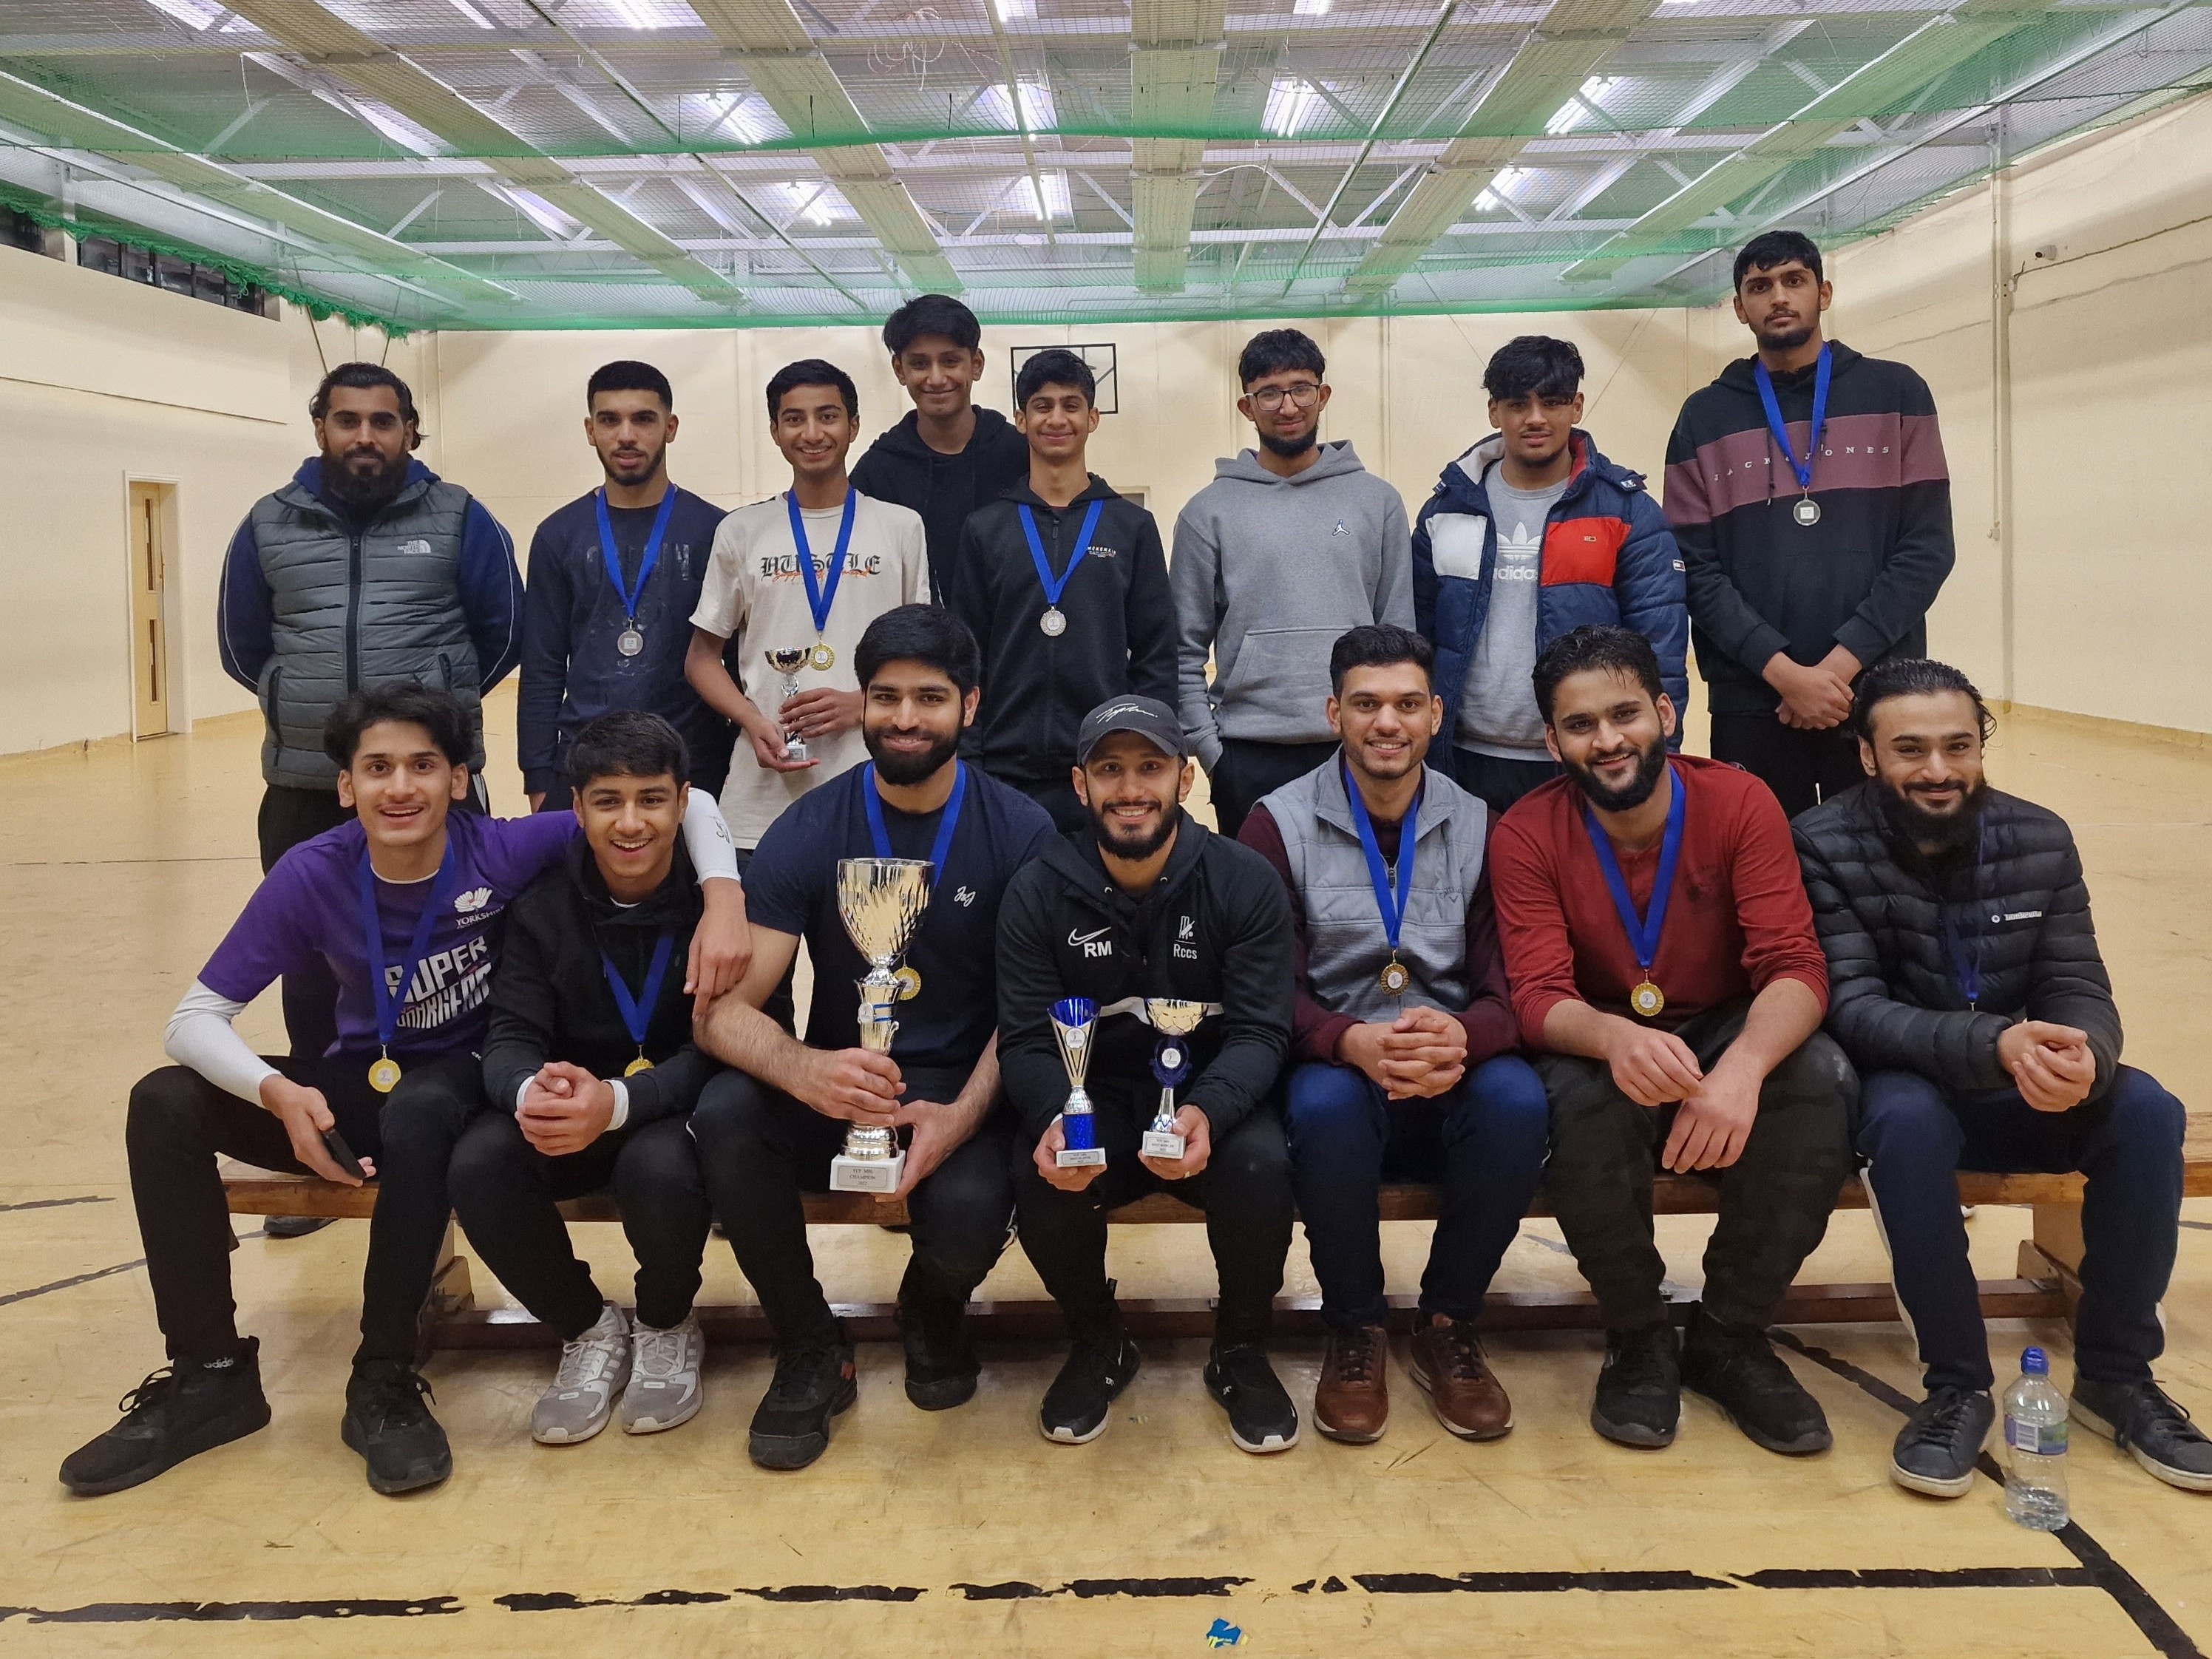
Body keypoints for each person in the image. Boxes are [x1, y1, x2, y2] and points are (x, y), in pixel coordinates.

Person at [57, 686, 747, 1499]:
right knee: (162, 1100)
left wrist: (724, 896)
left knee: (422, 1106)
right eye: (377, 768)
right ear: (345, 787)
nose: (401, 787)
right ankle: (209, 1374)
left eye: (424, 766)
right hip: (356, 1086)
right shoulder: (309, 874)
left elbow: (682, 800)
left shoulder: (502, 848)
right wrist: (275, 1089)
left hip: (470, 1080)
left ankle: (381, 1377)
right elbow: (194, 1020)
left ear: (459, 780)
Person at [1794, 659, 2209, 1497]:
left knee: (2146, 1110)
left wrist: (2084, 1053)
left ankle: (2117, 1379)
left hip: (2024, 1083)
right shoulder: (1821, 844)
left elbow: (2078, 984)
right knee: (1903, 1124)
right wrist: (1996, 1045)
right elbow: (1852, 1009)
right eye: (1909, 749)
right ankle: (1956, 1388)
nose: (1938, 770)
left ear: (1980, 747)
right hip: (1909, 1084)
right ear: (1868, 757)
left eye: (1958, 746)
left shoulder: (2040, 837)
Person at [691, 606, 1054, 1471]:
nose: (904, 718)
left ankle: (931, 1308)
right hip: (838, 1081)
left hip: (964, 1084)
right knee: (729, 1112)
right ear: (864, 704)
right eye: (885, 696)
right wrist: (806, 1069)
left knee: (968, 1216)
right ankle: (812, 1342)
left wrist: (961, 1115)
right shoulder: (810, 828)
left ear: (969, 705)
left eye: (929, 698)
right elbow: (721, 1012)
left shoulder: (1021, 832)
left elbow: (1031, 1013)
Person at [1490, 625, 1856, 1457]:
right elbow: (1537, 997)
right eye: (1579, 725)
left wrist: (1743, 1071)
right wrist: (1614, 1039)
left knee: (1820, 1081)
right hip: (1600, 1024)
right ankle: (1638, 1335)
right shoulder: (1524, 831)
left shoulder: (1739, 801)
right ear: (1552, 742)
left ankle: (1730, 1335)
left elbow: (1795, 966)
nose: (1608, 740)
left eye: (1625, 714)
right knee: (1579, 1104)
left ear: (1665, 712)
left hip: (1724, 1020)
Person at [1238, 625, 1550, 1445]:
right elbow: (1269, 992)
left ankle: (1447, 1325)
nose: (1388, 723)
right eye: (1367, 704)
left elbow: (1510, 987)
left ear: (1436, 714)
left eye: (1408, 704)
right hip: (1339, 1060)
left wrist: (1461, 1039)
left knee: (1518, 1099)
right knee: (1323, 1105)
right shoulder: (1273, 825)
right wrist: (1347, 1041)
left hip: (1447, 1058)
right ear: (1333, 711)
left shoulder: (1487, 823)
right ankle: (1357, 1329)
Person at [997, 694, 1301, 1454]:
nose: (1130, 788)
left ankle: (1239, 1347)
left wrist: (1211, 1110)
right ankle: (1098, 1340)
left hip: (1203, 1103)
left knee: (1262, 1162)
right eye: (1110, 770)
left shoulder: (1244, 880)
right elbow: (1028, 1042)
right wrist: (1052, 1118)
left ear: (1185, 776)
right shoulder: (1037, 889)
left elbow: (1264, 1029)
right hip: (1096, 1099)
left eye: (1150, 768)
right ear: (1080, 785)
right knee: (1036, 1170)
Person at [217, 362, 524, 1085]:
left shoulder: (460, 517)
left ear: (409, 431)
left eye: (382, 422)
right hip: (306, 785)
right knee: (313, 961)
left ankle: (453, 1117)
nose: (365, 437)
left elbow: (505, 633)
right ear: (320, 427)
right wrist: (310, 709)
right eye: (347, 421)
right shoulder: (267, 523)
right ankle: (324, 1127)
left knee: (456, 949)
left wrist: (425, 725)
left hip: (432, 788)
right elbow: (242, 646)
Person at [438, 710, 723, 1448]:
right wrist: (532, 1092)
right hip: (571, 1110)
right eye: (608, 801)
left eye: (652, 799)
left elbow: (733, 1048)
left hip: (664, 1112)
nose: (631, 823)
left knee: (658, 1164)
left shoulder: (721, 907)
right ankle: (586, 1327)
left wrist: (622, 1101)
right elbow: (509, 1035)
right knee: (478, 1160)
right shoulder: (540, 905)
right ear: (576, 809)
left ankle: (665, 1323)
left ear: (684, 803)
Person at [1664, 230, 1955, 817]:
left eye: (1793, 281)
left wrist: (1836, 669)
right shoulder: (1703, 416)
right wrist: (1784, 674)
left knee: (1885, 868)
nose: (1778, 297)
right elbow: (1693, 568)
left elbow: (1927, 549)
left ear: (1823, 293)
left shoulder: (1897, 392)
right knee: (1765, 872)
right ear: (1741, 308)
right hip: (1753, 700)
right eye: (1759, 286)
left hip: (1876, 691)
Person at [1413, 335, 1688, 815]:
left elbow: (1661, 650)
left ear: (1577, 406)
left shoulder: (1629, 512)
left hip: (1585, 759)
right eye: (1518, 404)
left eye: (1553, 402)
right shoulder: (1447, 508)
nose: (1536, 418)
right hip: (1461, 760)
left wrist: (1661, 757)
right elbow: (1417, 634)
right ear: (1494, 411)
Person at [1170, 328, 1414, 838]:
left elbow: (1399, 636)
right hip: (1246, 754)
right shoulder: (1207, 512)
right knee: (1260, 909)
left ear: (1323, 395)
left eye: (1301, 388)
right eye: (1270, 393)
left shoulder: (1378, 502)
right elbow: (1182, 648)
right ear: (1247, 406)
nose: (1287, 406)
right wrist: (1211, 750)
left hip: (1357, 745)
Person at [685, 359, 931, 863]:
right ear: (775, 430)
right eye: (794, 418)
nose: (813, 432)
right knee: (759, 944)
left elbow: (926, 658)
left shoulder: (901, 528)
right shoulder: (741, 531)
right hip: (763, 796)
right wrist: (753, 721)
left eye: (828, 416)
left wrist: (866, 703)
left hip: (876, 783)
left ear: (854, 426)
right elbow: (702, 659)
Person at [946, 346, 1175, 832]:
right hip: (1003, 770)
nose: (1057, 418)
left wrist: (1143, 753)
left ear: (1093, 418)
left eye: (1071, 405)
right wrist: (971, 757)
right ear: (1020, 419)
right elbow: (964, 656)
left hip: (1104, 768)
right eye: (1042, 406)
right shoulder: (985, 529)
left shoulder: (1130, 526)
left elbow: (1156, 654)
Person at [516, 360, 735, 813]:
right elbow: (542, 667)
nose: (627, 435)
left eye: (643, 419)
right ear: (590, 430)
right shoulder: (558, 535)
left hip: (694, 764)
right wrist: (538, 776)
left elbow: (732, 660)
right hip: (583, 764)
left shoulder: (717, 531)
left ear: (670, 428)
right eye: (610, 420)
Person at [849, 293, 1031, 598]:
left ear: (976, 364)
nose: (936, 378)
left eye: (950, 361)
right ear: (899, 369)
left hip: (1013, 639)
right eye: (920, 364)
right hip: (919, 641)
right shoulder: (878, 472)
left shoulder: (1020, 454)